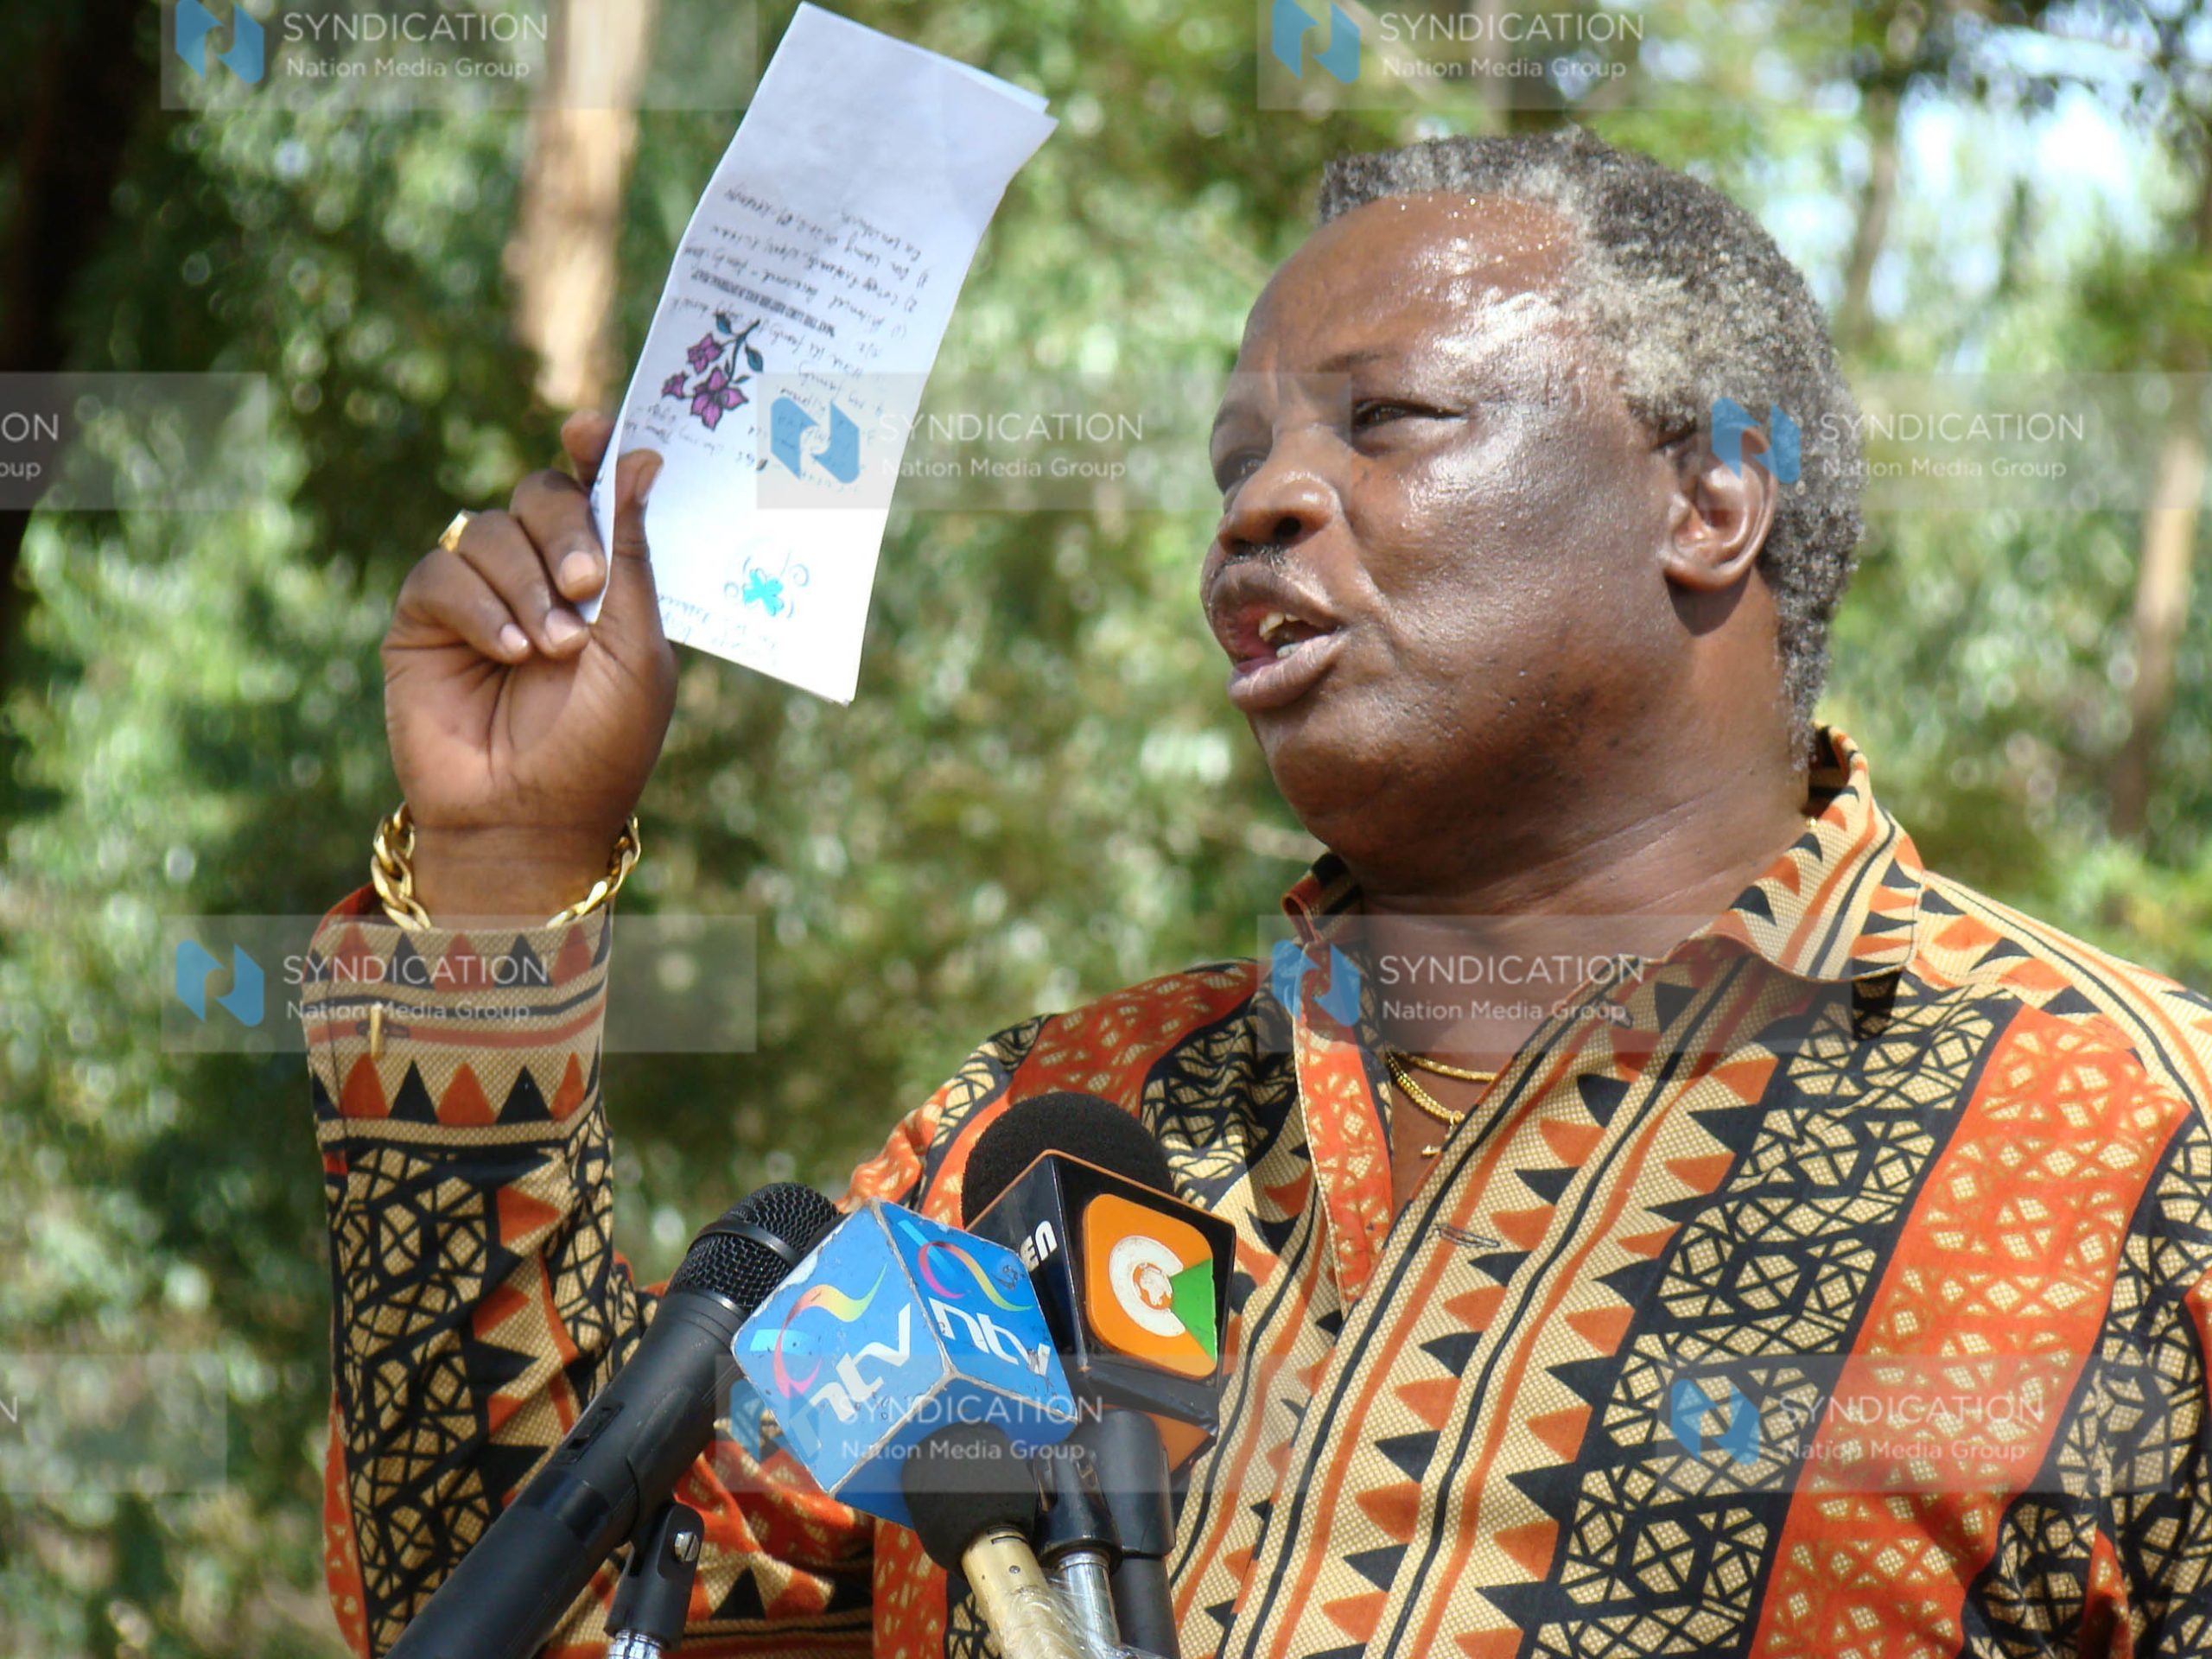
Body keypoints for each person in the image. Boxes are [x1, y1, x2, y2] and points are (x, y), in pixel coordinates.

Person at [301, 125, 2212, 1659]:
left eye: (1384, 424)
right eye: (1237, 459)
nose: (1255, 508)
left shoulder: (2130, 1152)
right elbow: (497, 1595)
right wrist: (500, 868)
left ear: (1710, 499)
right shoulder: (1037, 1146)